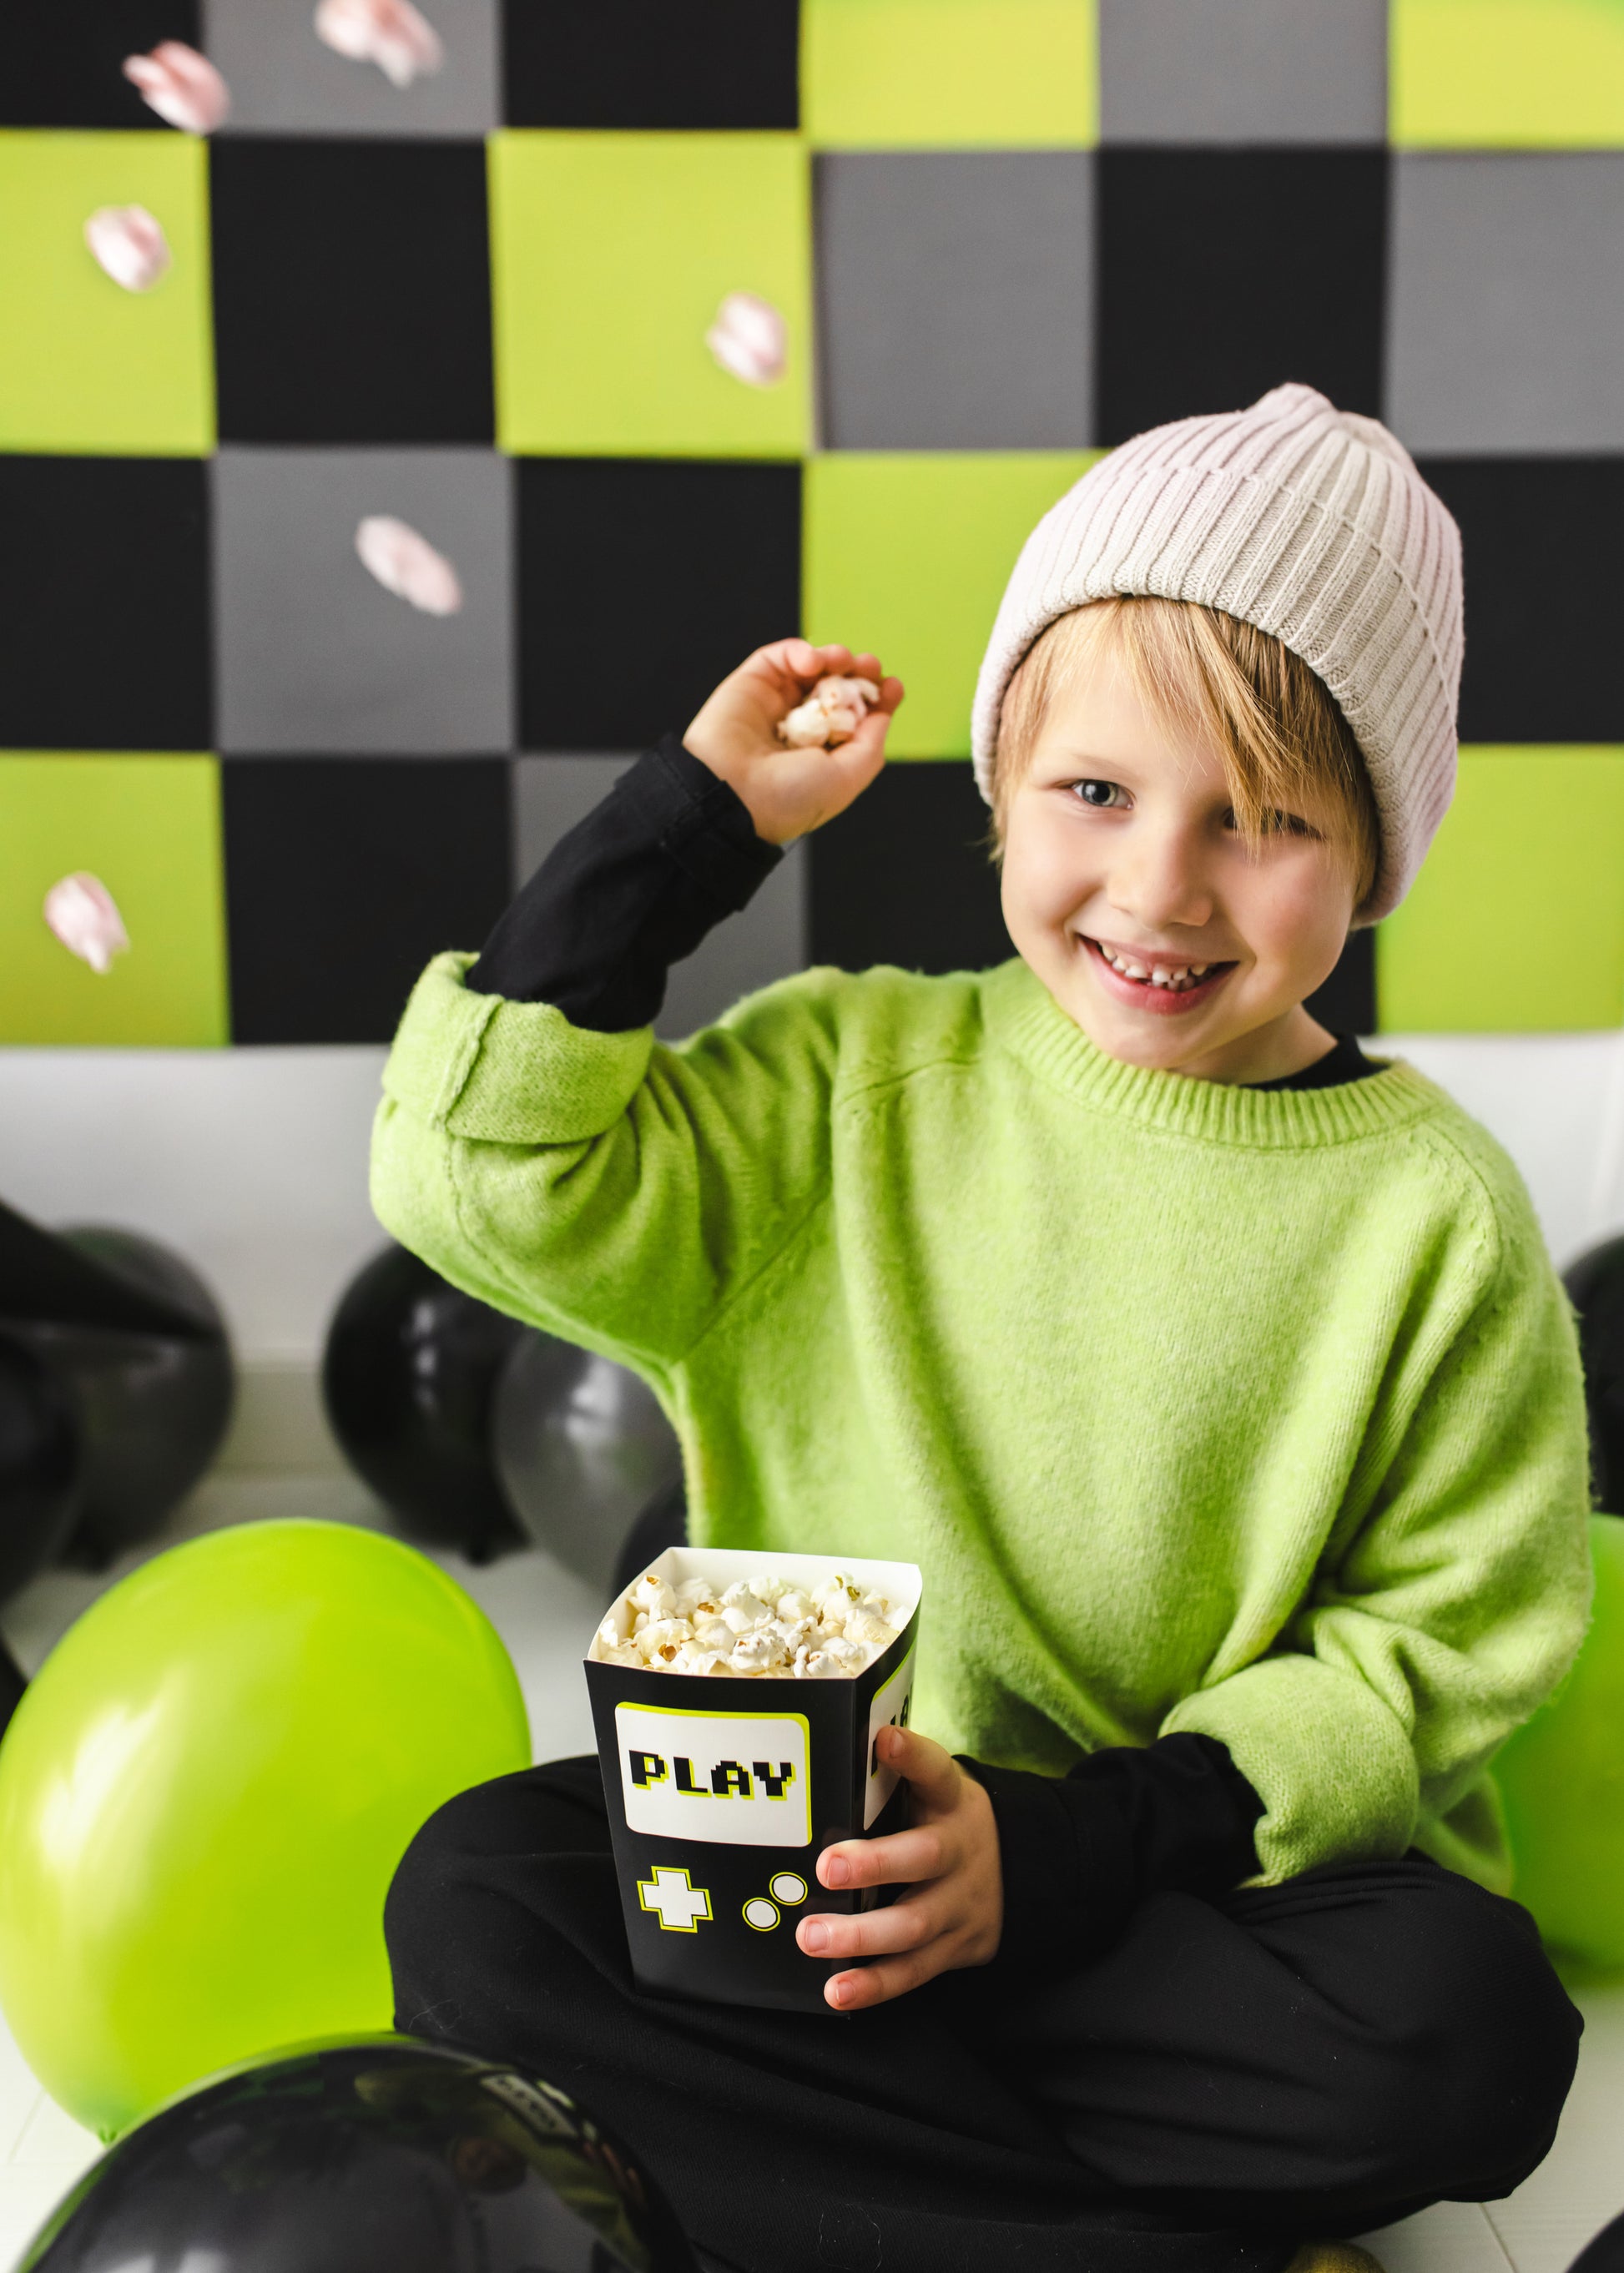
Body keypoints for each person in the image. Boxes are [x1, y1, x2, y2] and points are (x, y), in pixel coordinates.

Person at [371, 384, 1591, 2273]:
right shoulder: (854, 1081)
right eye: (1093, 793)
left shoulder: (1428, 1209)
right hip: (829, 1868)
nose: (1160, 888)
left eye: (1261, 823)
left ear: (1370, 856)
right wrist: (682, 832)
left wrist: (1066, 1855)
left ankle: (856, 2198)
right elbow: (472, 1175)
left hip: (1173, 1894)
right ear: (1002, 783)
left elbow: (1439, 1640)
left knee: (1468, 2028)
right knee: (474, 1903)